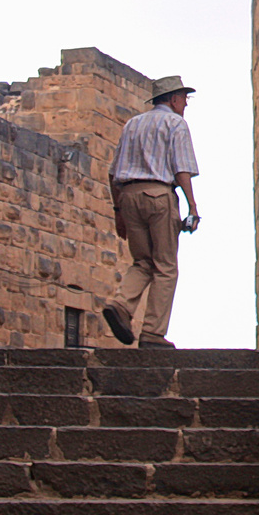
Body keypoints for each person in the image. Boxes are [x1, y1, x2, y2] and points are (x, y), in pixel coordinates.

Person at [102, 75, 201, 347]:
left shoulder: (132, 124)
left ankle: (121, 305)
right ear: (172, 99)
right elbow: (181, 168)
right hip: (158, 195)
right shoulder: (175, 123)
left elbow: (113, 173)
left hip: (129, 197)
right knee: (166, 266)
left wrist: (118, 211)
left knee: (143, 262)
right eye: (184, 99)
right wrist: (192, 205)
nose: (185, 105)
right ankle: (153, 333)